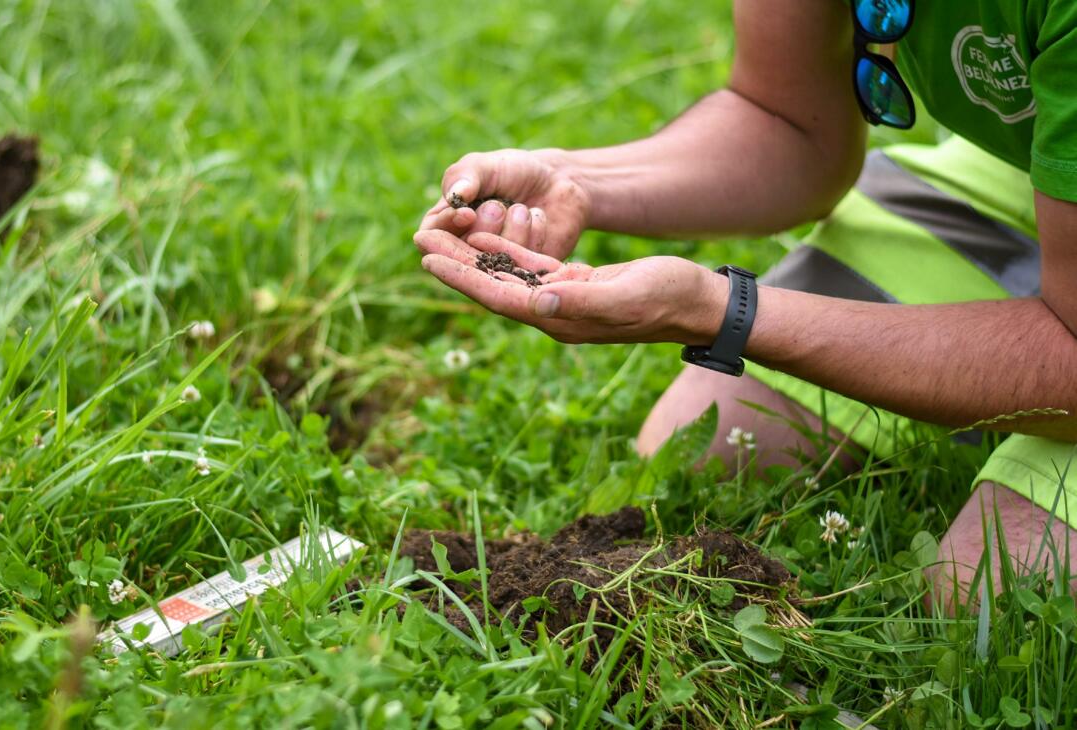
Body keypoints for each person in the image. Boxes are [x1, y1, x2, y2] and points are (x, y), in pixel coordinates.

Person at [414, 0, 1077, 612]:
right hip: (1027, 179)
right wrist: (573, 181)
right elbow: (785, 121)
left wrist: (725, 312)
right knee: (701, 448)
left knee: (997, 594)